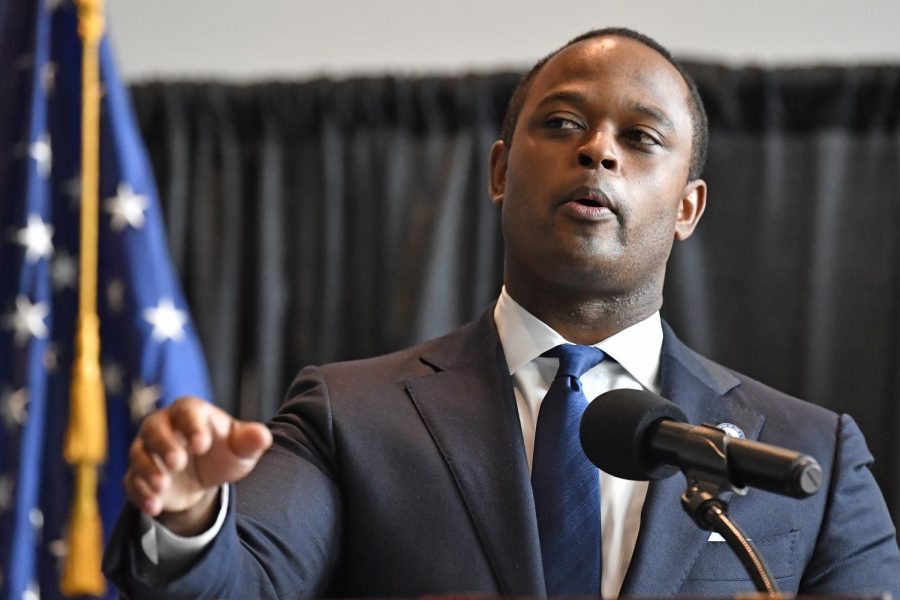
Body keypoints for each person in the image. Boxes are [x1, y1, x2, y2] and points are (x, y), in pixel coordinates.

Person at [103, 28, 900, 598]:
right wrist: (191, 516)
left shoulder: (804, 456)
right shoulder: (349, 418)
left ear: (688, 208)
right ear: (498, 171)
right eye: (562, 123)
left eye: (640, 136)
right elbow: (248, 581)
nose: (598, 151)